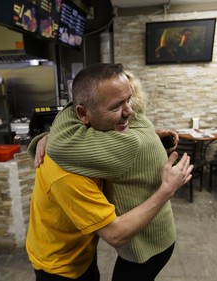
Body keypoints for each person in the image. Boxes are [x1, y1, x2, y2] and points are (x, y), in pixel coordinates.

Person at [26, 63, 193, 281]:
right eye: (116, 107)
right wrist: (167, 189)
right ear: (82, 114)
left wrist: (49, 135)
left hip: (86, 249)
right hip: (59, 264)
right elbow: (115, 234)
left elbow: (71, 130)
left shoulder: (102, 135)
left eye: (128, 100)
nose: (130, 112)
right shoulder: (66, 169)